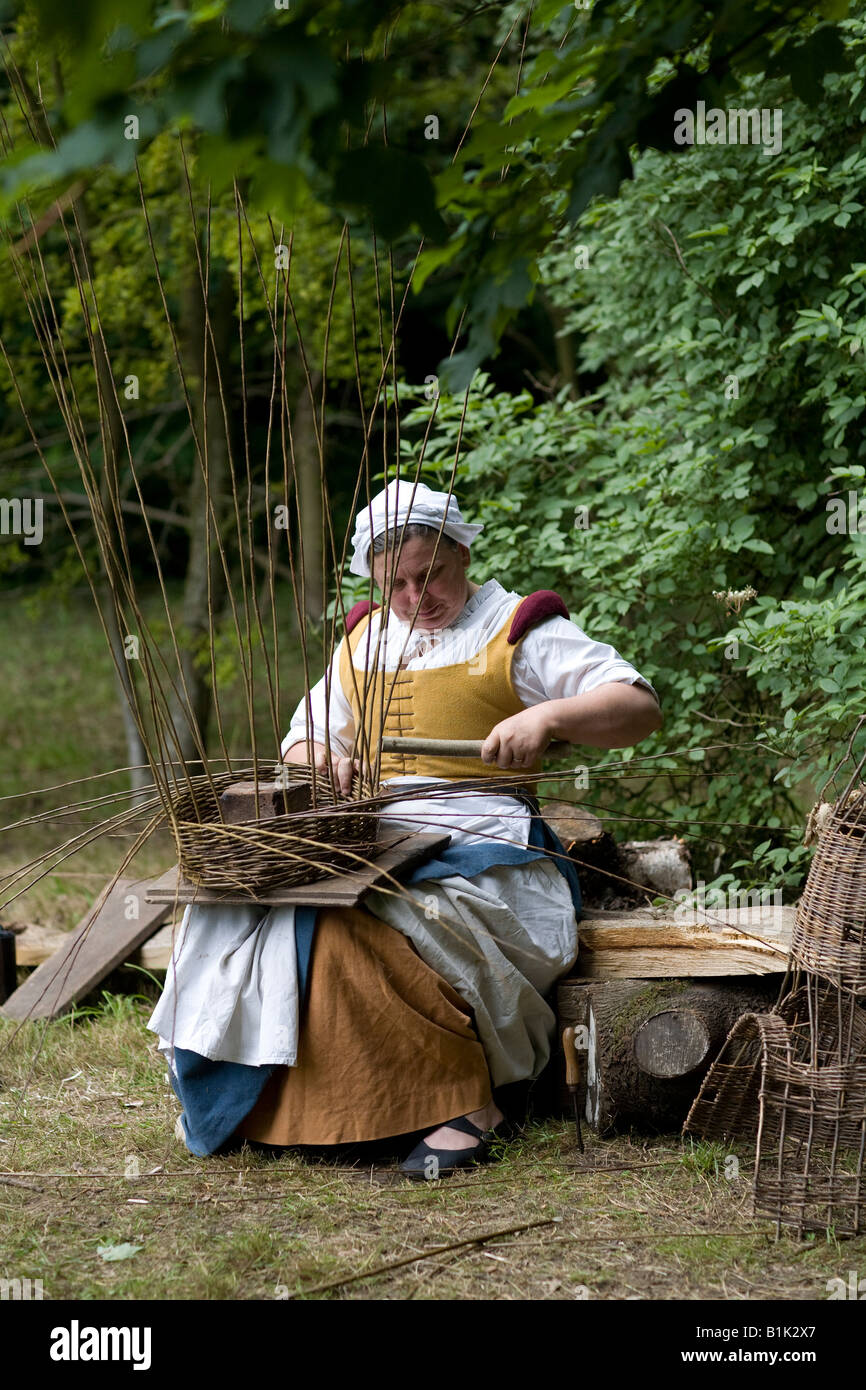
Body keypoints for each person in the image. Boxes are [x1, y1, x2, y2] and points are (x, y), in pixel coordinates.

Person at [148, 481, 661, 1179]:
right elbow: (302, 739)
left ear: (461, 552)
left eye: (432, 575)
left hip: (488, 845)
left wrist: (547, 718)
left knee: (368, 925)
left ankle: (462, 1103)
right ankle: (273, 1106)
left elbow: (636, 706)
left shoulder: (517, 628)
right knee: (251, 914)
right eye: (397, 585)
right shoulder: (364, 640)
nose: (417, 598)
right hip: (374, 836)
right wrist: (326, 759)